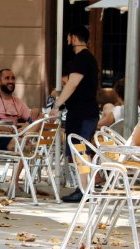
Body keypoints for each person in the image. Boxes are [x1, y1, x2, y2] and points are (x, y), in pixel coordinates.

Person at [49, 25, 99, 203]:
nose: (67, 41)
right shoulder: (89, 59)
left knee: (79, 151)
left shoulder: (81, 59)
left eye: (68, 37)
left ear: (74, 38)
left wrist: (57, 104)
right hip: (87, 112)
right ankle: (86, 188)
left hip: (81, 113)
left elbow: (73, 84)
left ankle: (84, 189)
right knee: (82, 151)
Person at [0, 68, 41, 189]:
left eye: (13, 78)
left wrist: (36, 110)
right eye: (7, 78)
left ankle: (14, 180)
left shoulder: (18, 102)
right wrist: (7, 129)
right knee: (25, 146)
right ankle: (14, 181)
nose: (11, 81)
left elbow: (32, 117)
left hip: (15, 136)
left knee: (39, 117)